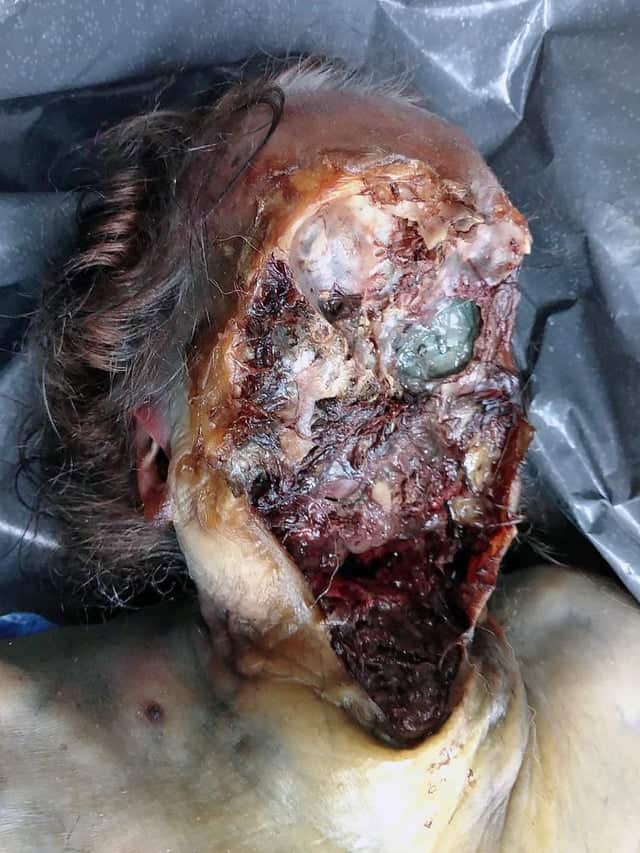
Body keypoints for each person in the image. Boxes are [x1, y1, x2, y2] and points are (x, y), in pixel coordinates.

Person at [1, 59, 638, 852]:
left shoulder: (606, 672)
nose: (399, 402)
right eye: (301, 328)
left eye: (450, 329)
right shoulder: (23, 767)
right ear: (159, 461)